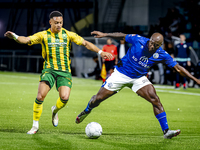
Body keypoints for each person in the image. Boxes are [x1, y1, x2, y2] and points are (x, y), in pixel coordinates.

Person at [75, 31, 200, 139]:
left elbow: (178, 68)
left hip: (138, 78)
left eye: (155, 45)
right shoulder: (139, 40)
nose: (151, 46)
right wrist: (105, 35)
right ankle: (87, 110)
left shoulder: (161, 54)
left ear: (159, 46)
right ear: (149, 39)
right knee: (98, 99)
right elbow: (122, 36)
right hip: (121, 74)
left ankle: (166, 131)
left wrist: (195, 79)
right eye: (151, 42)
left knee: (155, 99)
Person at [4, 11, 113, 134]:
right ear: (50, 22)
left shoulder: (68, 34)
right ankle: (35, 126)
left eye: (61, 22)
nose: (59, 25)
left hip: (64, 71)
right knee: (40, 96)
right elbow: (27, 40)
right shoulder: (43, 35)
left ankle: (54, 111)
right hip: (49, 70)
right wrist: (15, 36)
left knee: (65, 97)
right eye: (56, 23)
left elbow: (85, 43)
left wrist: (100, 52)